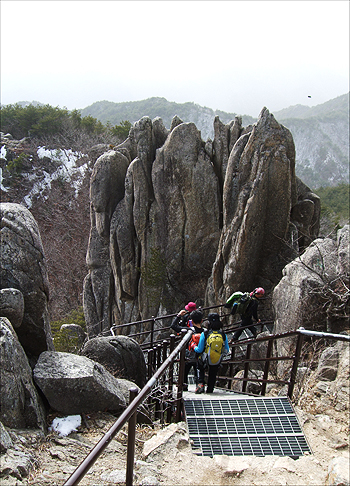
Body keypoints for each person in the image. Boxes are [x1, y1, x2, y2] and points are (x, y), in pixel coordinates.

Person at [171, 307, 205, 391]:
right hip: (201, 355)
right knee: (199, 371)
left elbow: (173, 326)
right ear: (202, 321)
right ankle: (199, 386)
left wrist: (178, 316)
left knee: (184, 372)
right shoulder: (205, 332)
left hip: (188, 354)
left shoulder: (188, 330)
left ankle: (184, 387)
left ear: (191, 321)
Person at [194, 313, 229, 394]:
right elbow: (226, 350)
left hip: (205, 358)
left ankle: (201, 384)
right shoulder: (223, 335)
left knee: (199, 365)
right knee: (213, 372)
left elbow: (199, 349)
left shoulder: (205, 334)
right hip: (216, 359)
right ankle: (210, 389)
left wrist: (194, 347)